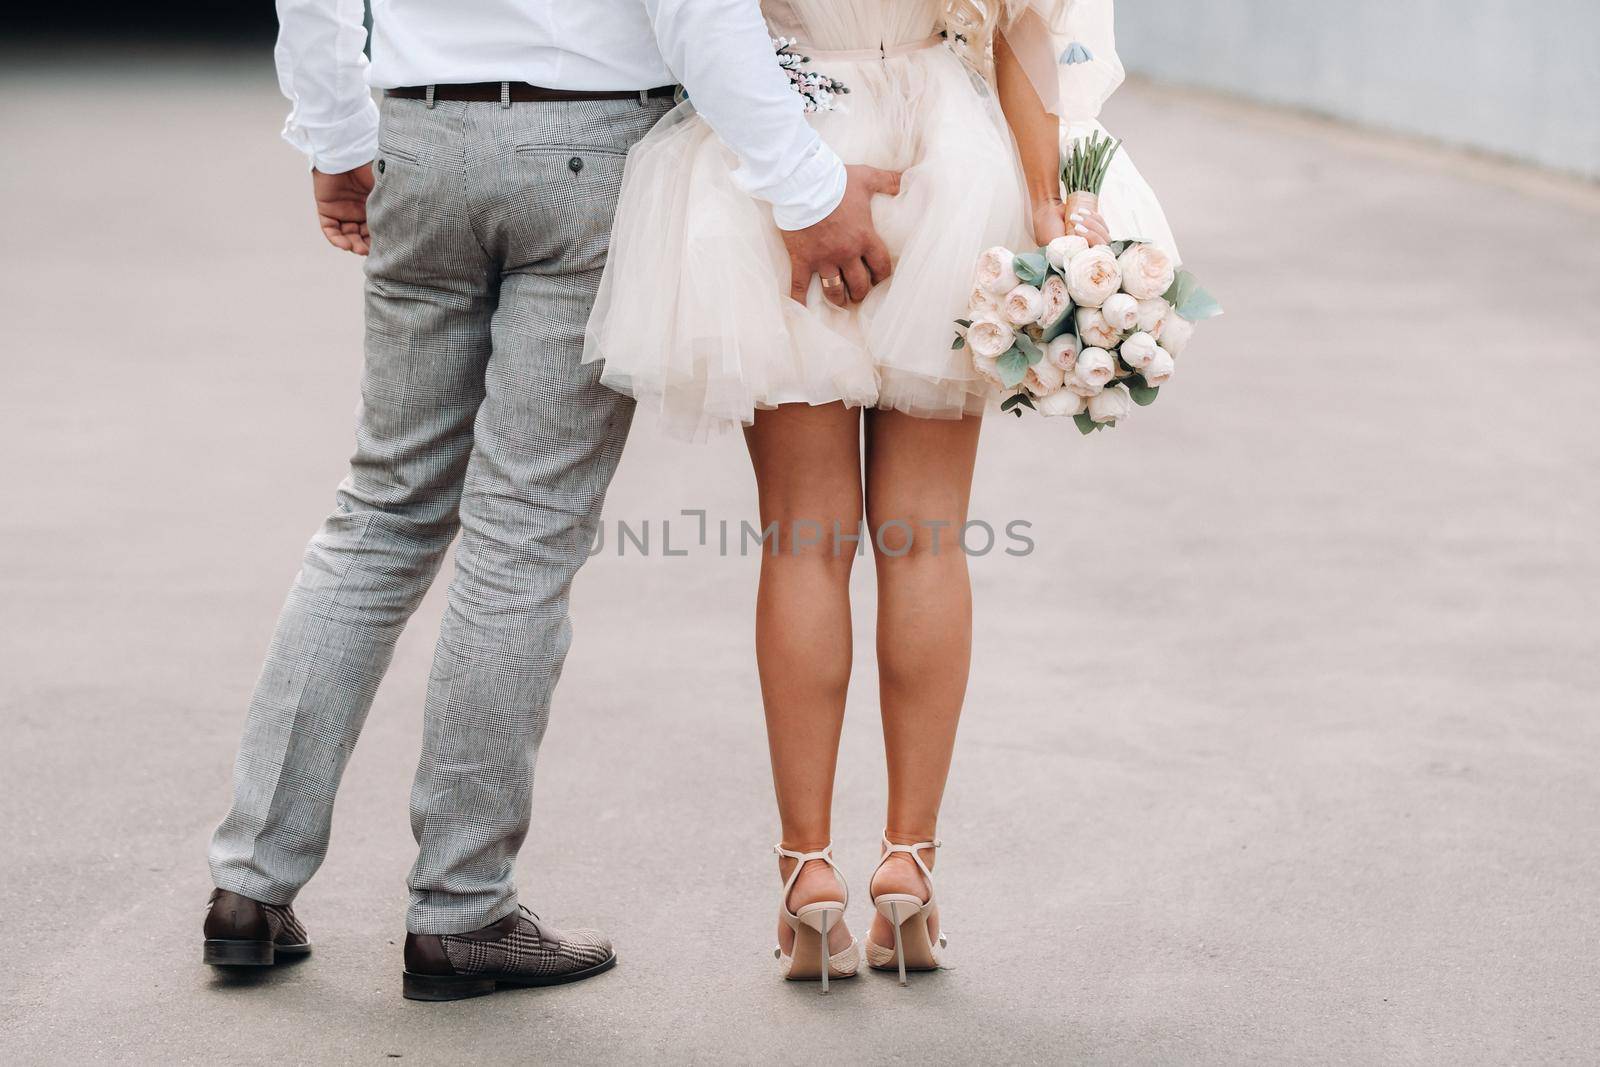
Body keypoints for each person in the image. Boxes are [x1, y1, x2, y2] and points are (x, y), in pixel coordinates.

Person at [202, 0, 900, 1002]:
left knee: (383, 510)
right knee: (521, 536)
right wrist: (804, 184)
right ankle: (461, 907)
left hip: (419, 136)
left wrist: (337, 133)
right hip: (587, 147)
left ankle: (248, 887)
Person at [584, 0, 1174, 987]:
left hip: (795, 154)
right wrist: (1042, 205)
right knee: (926, 540)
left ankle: (807, 873)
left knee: (804, 540)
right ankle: (909, 865)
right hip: (946, 158)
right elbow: (1018, 30)